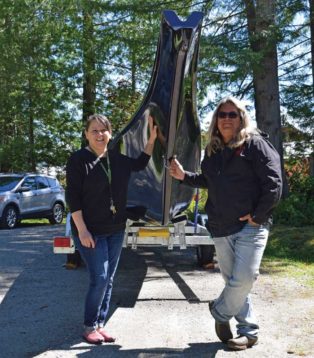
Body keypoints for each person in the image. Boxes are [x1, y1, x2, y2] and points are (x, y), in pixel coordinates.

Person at [169, 96, 282, 351]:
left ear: (241, 118)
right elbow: (210, 180)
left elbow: (274, 183)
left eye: (233, 114)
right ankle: (248, 332)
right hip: (220, 226)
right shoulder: (214, 150)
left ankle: (219, 312)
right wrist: (183, 176)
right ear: (216, 120)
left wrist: (259, 215)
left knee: (244, 278)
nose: (227, 119)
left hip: (250, 227)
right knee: (233, 281)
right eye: (223, 115)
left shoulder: (255, 145)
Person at [66, 113, 157, 344]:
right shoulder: (78, 161)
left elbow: (140, 163)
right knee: (100, 277)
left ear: (110, 133)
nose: (99, 134)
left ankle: (99, 324)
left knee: (109, 279)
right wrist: (82, 230)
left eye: (103, 130)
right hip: (90, 231)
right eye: (94, 130)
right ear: (86, 134)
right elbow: (73, 199)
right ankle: (89, 326)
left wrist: (152, 139)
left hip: (116, 228)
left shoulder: (117, 159)